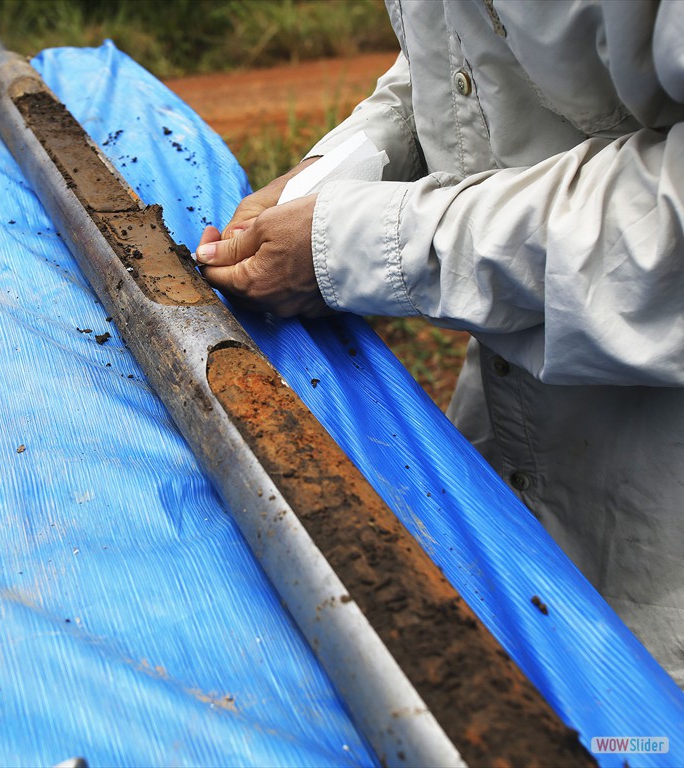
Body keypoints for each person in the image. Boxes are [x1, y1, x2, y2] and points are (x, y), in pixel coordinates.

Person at [196, 0, 684, 687]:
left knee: (633, 725)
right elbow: (463, 58)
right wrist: (332, 175)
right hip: (515, 422)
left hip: (663, 525)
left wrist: (366, 241)